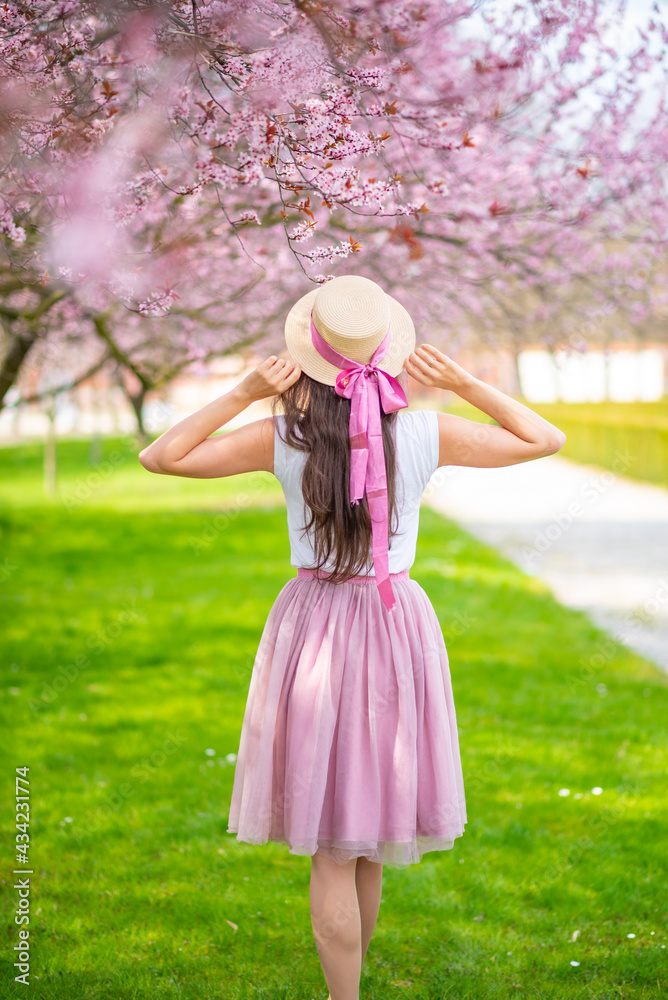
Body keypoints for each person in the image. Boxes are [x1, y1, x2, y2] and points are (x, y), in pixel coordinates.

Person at [138, 274, 566, 1000]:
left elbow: (162, 455)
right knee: (361, 836)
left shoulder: (282, 434)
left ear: (308, 356)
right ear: (386, 352)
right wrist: (463, 381)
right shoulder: (425, 431)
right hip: (396, 623)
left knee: (337, 848)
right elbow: (544, 438)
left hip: (314, 628)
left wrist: (242, 393)